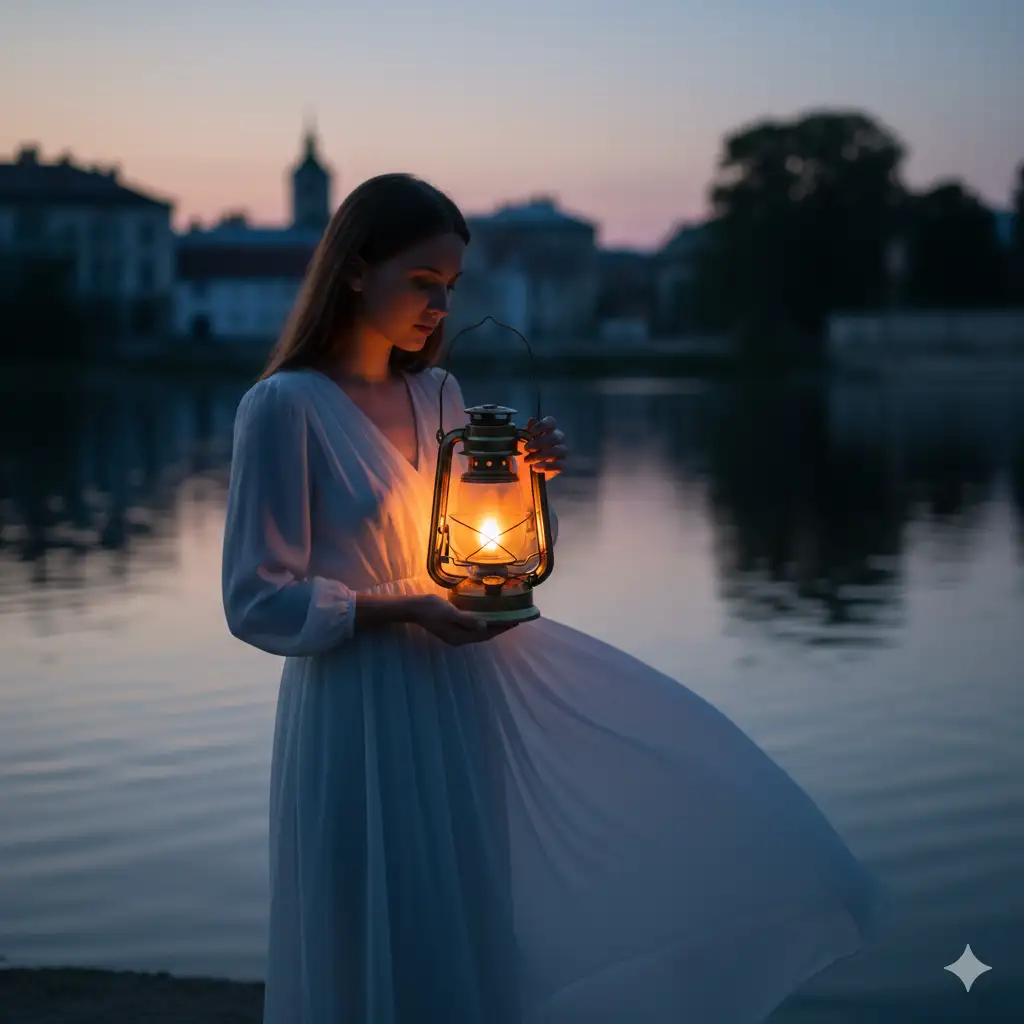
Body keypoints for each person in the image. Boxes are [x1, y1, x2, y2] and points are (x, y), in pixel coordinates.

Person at [221, 173, 886, 1024]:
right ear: (354, 270)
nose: (441, 305)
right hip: (356, 704)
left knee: (457, 914)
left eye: (452, 287)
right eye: (423, 283)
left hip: (455, 694)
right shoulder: (283, 407)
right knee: (364, 920)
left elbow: (481, 556)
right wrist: (397, 610)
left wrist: (523, 485)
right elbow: (255, 598)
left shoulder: (441, 396)